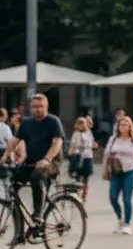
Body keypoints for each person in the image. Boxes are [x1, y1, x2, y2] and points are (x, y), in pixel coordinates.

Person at [1, 94, 65, 222]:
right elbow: (15, 141)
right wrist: (4, 156)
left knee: (36, 176)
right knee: (13, 184)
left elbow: (58, 142)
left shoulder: (53, 121)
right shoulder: (26, 122)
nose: (37, 109)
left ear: (46, 107)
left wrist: (47, 159)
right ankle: (19, 231)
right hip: (31, 162)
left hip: (51, 163)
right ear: (30, 108)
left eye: (40, 106)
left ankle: (38, 214)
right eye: (34, 107)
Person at [103, 117, 133, 235]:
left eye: (125, 125)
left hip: (130, 171)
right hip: (116, 172)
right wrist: (104, 170)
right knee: (112, 197)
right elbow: (106, 156)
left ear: (130, 127)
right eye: (121, 125)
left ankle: (127, 223)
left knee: (126, 198)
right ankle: (120, 219)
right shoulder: (113, 139)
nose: (123, 127)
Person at [68, 117, 96, 202]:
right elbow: (72, 145)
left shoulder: (89, 133)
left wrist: (94, 146)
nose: (81, 125)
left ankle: (84, 195)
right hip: (78, 157)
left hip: (88, 157)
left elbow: (92, 143)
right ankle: (78, 194)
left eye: (82, 123)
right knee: (78, 177)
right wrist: (70, 154)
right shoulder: (76, 134)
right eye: (79, 123)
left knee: (86, 178)